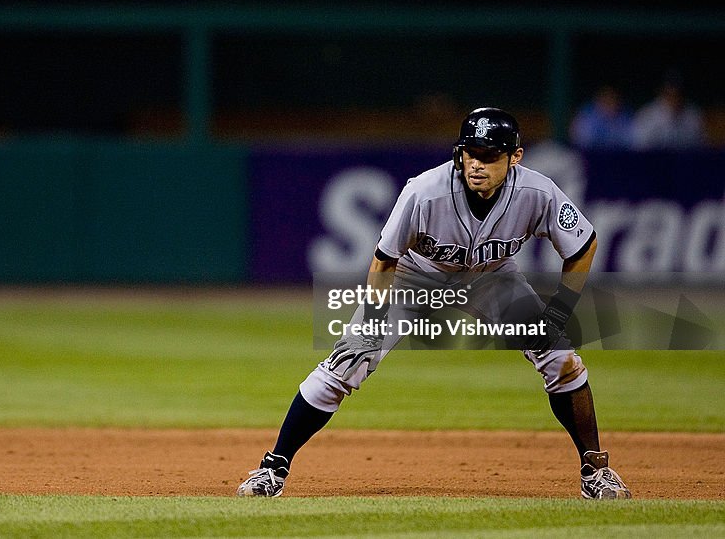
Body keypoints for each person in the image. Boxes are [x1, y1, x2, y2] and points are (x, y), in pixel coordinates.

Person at [236, 107, 631, 500]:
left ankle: (596, 472)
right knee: (349, 359)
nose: (477, 163)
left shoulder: (537, 192)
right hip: (415, 274)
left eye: (490, 155)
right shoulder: (424, 191)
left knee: (559, 357)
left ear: (515, 157)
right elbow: (384, 259)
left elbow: (583, 245)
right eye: (471, 152)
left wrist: (558, 312)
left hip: (492, 277)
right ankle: (273, 468)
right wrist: (372, 321)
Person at [630, 69, 705, 150]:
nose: (674, 97)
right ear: (662, 91)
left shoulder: (693, 114)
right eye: (669, 92)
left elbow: (701, 146)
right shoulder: (646, 115)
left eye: (677, 92)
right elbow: (639, 149)